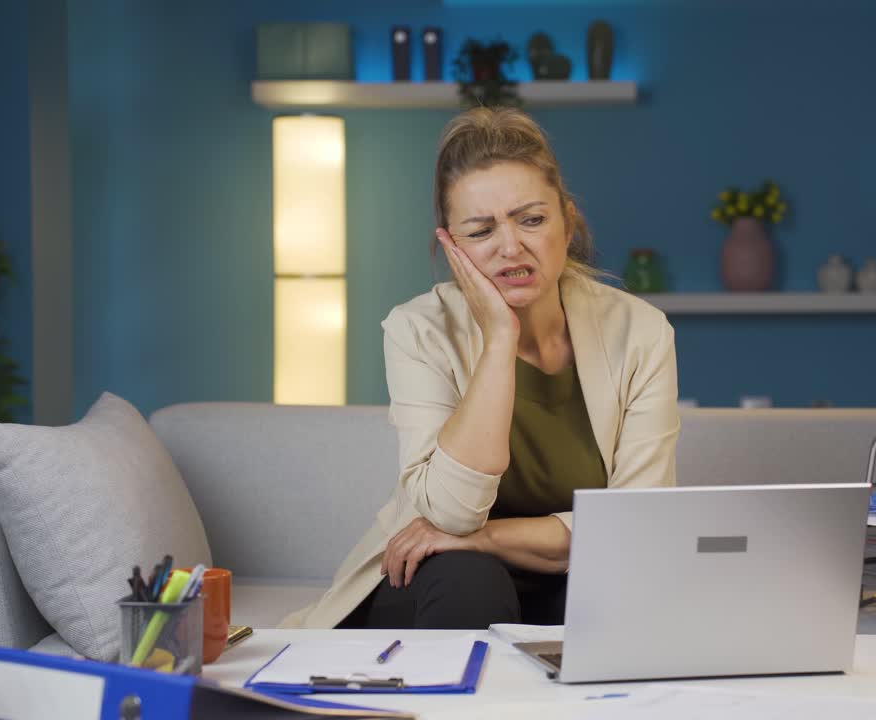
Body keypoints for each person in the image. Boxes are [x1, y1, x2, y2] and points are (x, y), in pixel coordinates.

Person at [280, 107, 679, 630]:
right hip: (439, 577)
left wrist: (489, 537)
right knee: (472, 576)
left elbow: (639, 525)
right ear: (451, 245)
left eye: (532, 220)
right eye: (480, 230)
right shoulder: (417, 331)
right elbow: (450, 515)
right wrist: (498, 340)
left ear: (568, 221)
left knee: (619, 598)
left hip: (566, 575)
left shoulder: (641, 332)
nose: (511, 246)